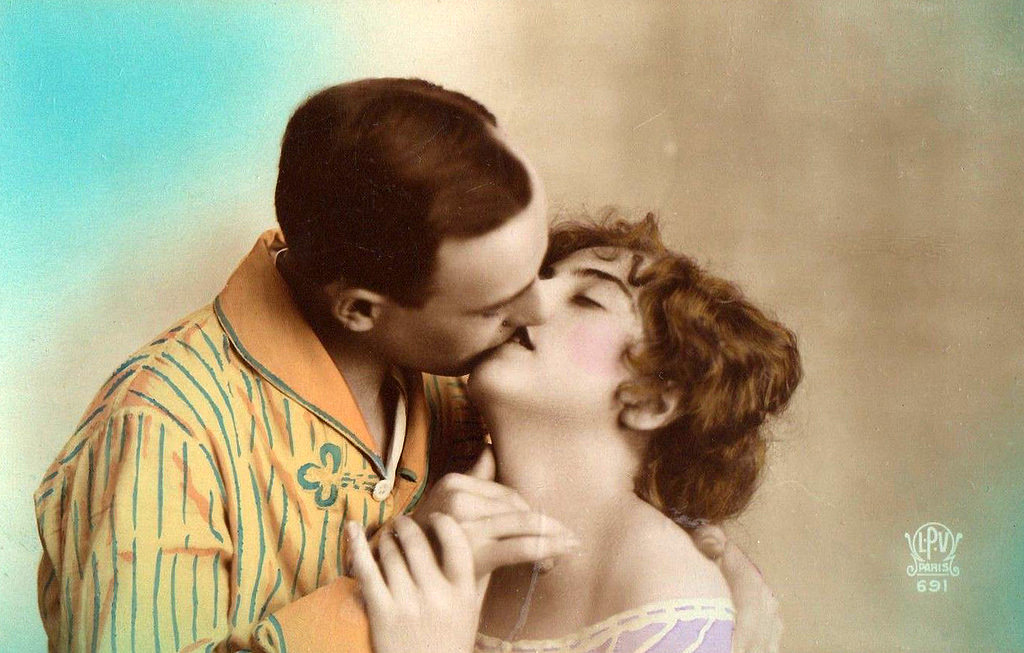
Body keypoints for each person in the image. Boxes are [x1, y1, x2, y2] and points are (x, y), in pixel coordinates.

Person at [34, 79, 779, 652]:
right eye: (496, 302)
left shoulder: (459, 379)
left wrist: (719, 583)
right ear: (362, 308)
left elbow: (610, 465)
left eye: (541, 265)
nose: (533, 308)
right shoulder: (163, 428)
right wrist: (386, 589)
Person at [349, 213, 801, 653]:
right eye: (539, 276)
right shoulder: (446, 486)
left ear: (651, 401)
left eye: (587, 299)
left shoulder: (667, 590)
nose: (529, 297)